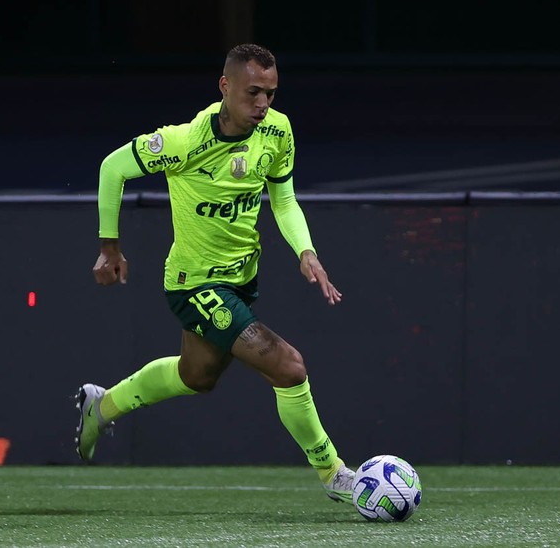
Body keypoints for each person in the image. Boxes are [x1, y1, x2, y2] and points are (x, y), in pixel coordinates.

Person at [74, 43, 356, 503]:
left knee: (196, 376)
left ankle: (101, 405)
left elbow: (283, 200)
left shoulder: (278, 132)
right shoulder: (184, 142)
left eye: (270, 94)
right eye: (252, 93)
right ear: (225, 87)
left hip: (241, 281)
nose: (263, 105)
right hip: (195, 285)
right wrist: (110, 247)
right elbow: (113, 168)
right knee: (288, 366)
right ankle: (333, 472)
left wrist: (306, 252)